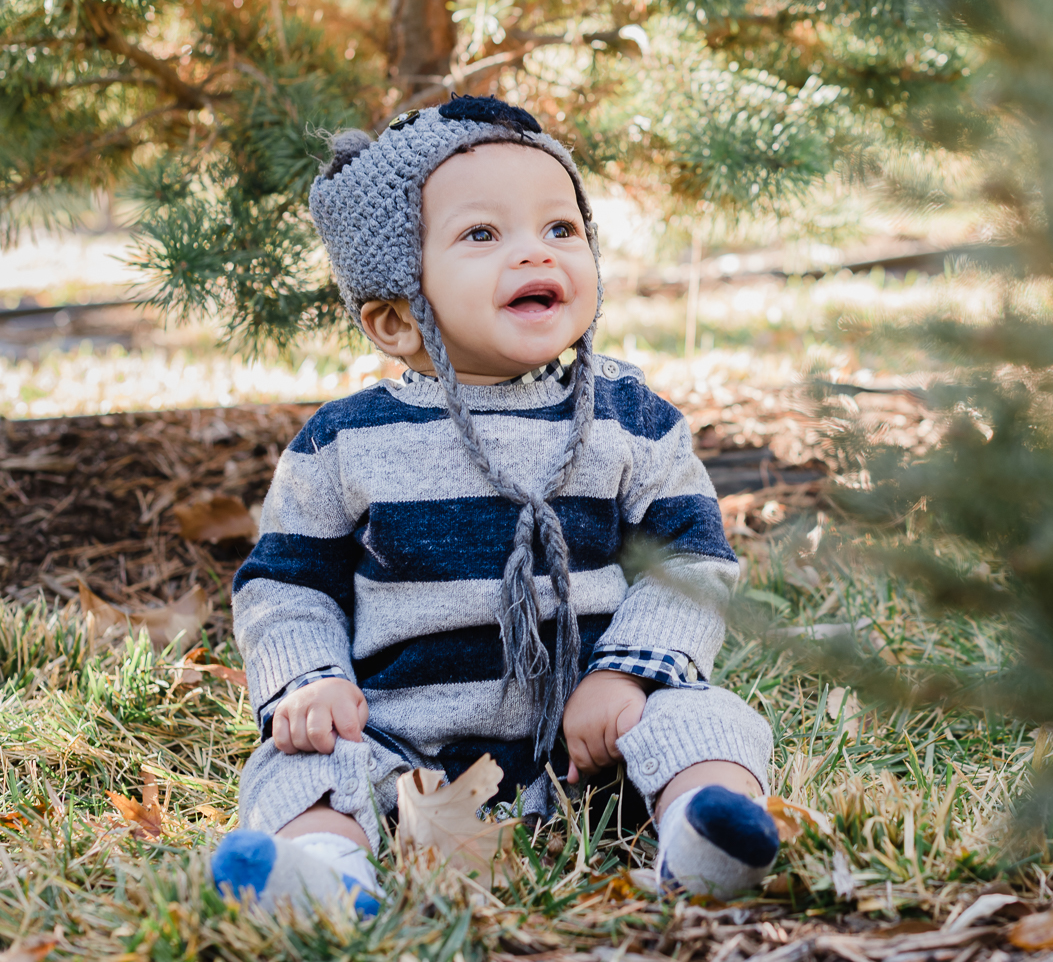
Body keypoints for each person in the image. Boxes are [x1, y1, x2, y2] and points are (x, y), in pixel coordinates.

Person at [208, 95, 780, 915]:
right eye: (482, 235)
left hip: (596, 747)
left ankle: (701, 833)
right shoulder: (345, 443)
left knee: (708, 720)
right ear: (396, 318)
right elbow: (286, 582)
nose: (534, 252)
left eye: (561, 228)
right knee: (302, 763)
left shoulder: (631, 419)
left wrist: (628, 673)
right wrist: (309, 680)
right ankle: (325, 870)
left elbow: (691, 560)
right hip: (404, 752)